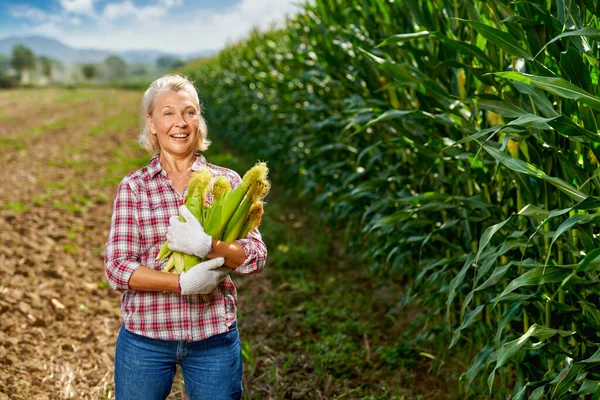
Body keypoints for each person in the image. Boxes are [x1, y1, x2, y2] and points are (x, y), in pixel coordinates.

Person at [104, 74, 267, 400]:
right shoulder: (135, 187)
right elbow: (117, 267)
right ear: (151, 123)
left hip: (213, 338)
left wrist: (209, 246)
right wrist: (180, 284)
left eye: (189, 112)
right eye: (168, 113)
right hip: (145, 340)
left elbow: (256, 255)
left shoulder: (228, 180)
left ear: (199, 121)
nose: (180, 123)